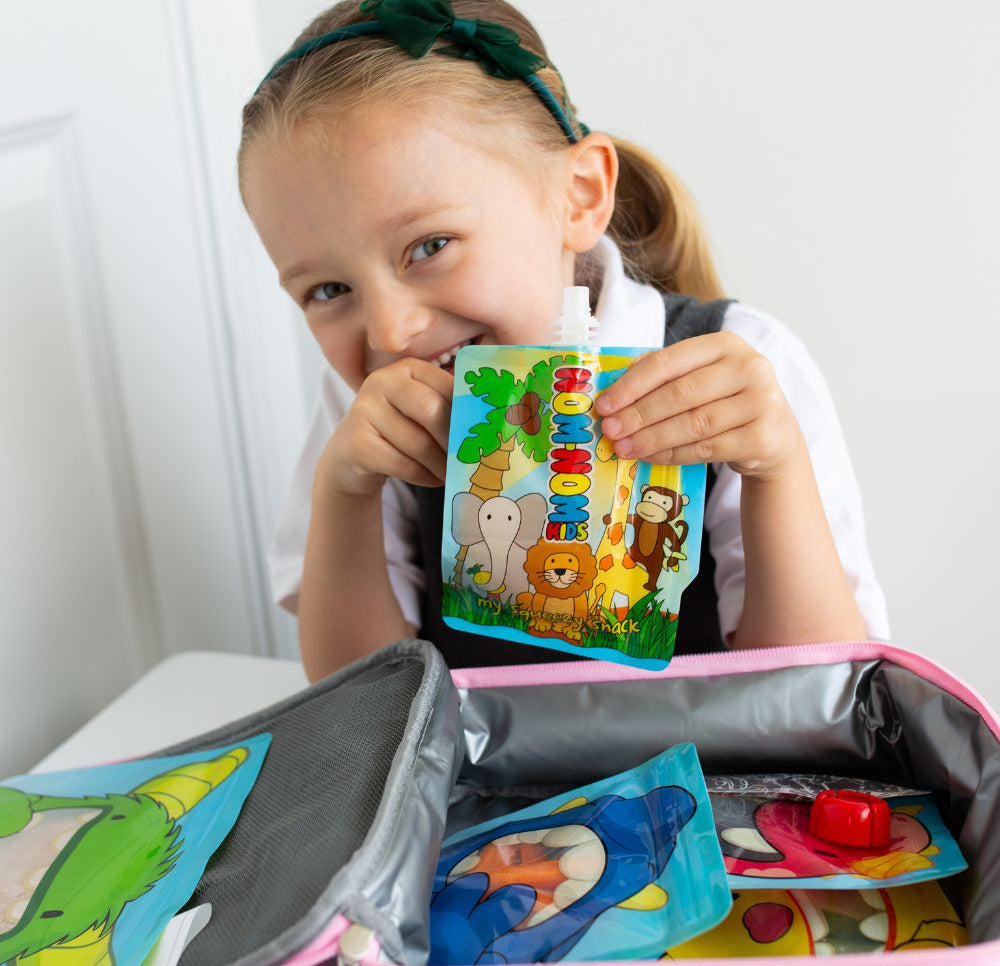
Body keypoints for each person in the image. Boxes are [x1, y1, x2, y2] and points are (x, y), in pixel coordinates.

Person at [239, 0, 889, 682]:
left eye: (430, 246)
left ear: (579, 197)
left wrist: (775, 470)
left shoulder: (749, 370)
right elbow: (355, 712)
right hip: (485, 787)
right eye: (329, 290)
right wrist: (345, 491)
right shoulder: (364, 416)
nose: (392, 332)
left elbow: (824, 692)